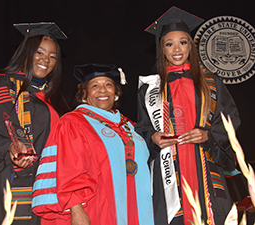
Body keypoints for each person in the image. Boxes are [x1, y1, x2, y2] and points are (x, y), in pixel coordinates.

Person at [135, 7, 241, 225]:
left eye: (183, 42)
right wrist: (152, 137)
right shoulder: (150, 89)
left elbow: (231, 120)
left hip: (206, 167)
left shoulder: (211, 83)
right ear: (161, 49)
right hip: (168, 173)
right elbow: (142, 128)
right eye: (169, 43)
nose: (176, 49)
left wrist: (208, 135)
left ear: (191, 46)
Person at [0, 22, 69, 225]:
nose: (45, 60)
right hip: (12, 184)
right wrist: (9, 146)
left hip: (50, 186)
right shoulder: (2, 87)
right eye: (40, 52)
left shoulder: (56, 98)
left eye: (52, 56)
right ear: (27, 52)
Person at [32, 63, 154, 225]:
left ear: (116, 92)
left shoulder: (131, 126)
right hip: (96, 210)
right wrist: (76, 211)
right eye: (95, 86)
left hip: (136, 210)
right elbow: (68, 169)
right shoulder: (74, 122)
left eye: (108, 85)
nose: (102, 90)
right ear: (84, 93)